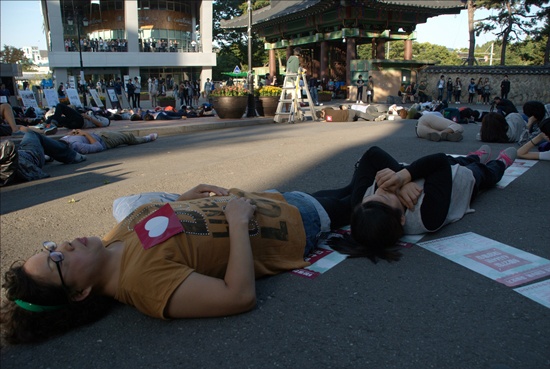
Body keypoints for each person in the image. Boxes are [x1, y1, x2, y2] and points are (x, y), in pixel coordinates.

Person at [1, 142, 398, 343]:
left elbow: (163, 229)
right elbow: (237, 296)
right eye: (56, 261)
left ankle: (415, 178)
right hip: (298, 226)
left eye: (49, 246)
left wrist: (185, 199)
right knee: (371, 168)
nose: (62, 247)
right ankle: (430, 177)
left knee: (366, 177)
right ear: (80, 293)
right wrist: (238, 223)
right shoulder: (143, 284)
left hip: (275, 201)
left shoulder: (109, 243)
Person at [327, 145, 517, 262]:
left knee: (459, 159)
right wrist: (403, 177)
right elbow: (439, 162)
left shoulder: (361, 203)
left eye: (374, 193)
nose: (383, 189)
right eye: (386, 197)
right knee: (483, 173)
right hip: (459, 181)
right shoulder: (427, 216)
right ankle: (500, 163)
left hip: (423, 172)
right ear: (401, 219)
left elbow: (371, 154)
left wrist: (402, 182)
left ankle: (473, 156)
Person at [0, 130, 86, 186]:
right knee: (31, 134)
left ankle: (46, 157)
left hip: (21, 158)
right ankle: (71, 155)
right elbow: (7, 147)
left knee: (26, 142)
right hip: (28, 157)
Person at [60, 129, 158, 154]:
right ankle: (148, 138)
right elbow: (98, 147)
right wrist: (85, 134)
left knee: (122, 134)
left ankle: (145, 138)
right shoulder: (76, 146)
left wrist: (71, 133)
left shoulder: (63, 139)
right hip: (105, 140)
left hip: (99, 134)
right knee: (128, 136)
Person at [44, 104, 110, 130]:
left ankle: (48, 124)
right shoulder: (97, 115)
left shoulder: (106, 120)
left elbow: (100, 124)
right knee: (56, 118)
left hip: (82, 121)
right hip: (75, 123)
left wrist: (88, 117)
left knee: (60, 106)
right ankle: (47, 126)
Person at [318, 105, 384, 122]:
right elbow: (331, 108)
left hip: (348, 120)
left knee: (358, 119)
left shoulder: (326, 120)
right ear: (322, 111)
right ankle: (373, 119)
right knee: (359, 114)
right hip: (348, 112)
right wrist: (324, 110)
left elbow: (325, 119)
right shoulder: (326, 110)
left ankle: (369, 119)